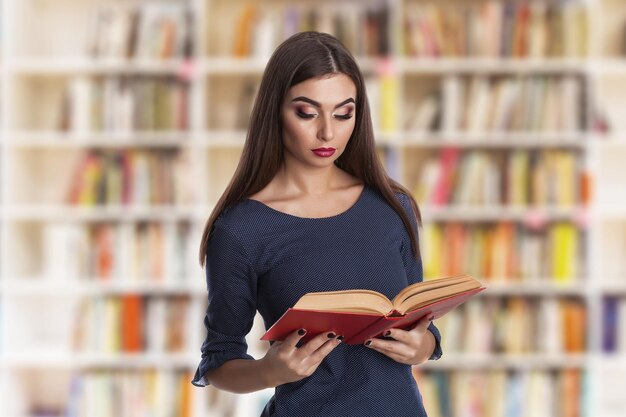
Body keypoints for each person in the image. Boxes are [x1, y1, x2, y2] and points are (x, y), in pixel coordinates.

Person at [192, 31, 442, 416]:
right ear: (275, 110)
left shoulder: (394, 206)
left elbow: (418, 320)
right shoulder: (241, 229)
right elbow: (219, 361)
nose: (328, 132)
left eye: (344, 113)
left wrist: (423, 347)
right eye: (307, 113)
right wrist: (270, 371)